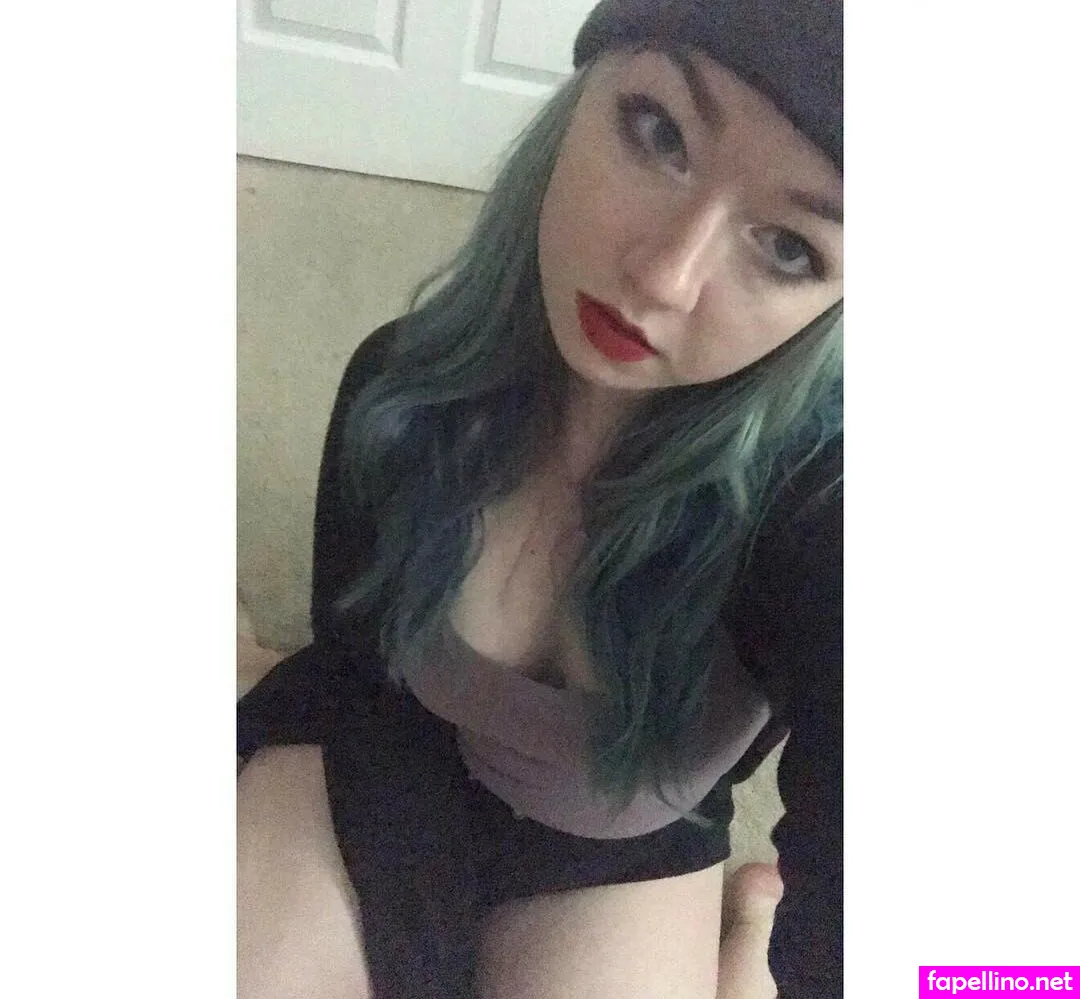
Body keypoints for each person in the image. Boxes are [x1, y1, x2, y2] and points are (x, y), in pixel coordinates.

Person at [237, 0, 843, 996]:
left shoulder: (824, 520)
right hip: (399, 752)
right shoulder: (397, 391)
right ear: (580, 98)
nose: (664, 276)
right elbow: (351, 658)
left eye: (788, 247)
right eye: (659, 132)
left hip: (622, 847)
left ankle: (744, 933)